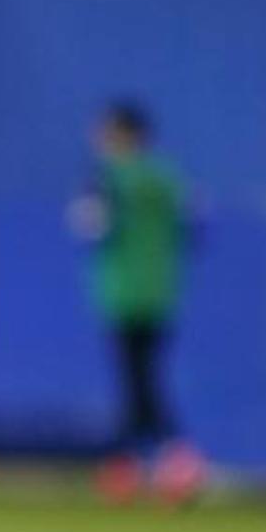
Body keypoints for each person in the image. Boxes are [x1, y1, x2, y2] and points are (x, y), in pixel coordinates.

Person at [72, 101, 204, 505]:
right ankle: (131, 464)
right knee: (143, 376)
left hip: (123, 293)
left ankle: (164, 460)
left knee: (137, 380)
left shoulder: (108, 179)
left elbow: (92, 226)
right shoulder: (168, 178)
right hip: (162, 292)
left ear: (122, 134)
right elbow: (194, 229)